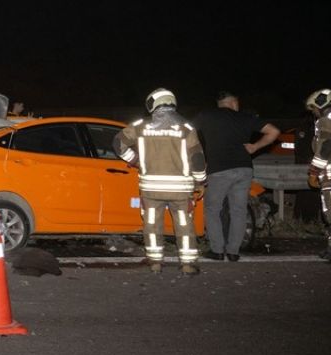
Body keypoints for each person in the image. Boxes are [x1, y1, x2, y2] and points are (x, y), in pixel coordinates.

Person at [114, 88, 208, 275]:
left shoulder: (140, 126)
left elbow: (118, 144)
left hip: (151, 188)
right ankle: (188, 264)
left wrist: (136, 161)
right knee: (183, 223)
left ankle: (155, 262)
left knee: (151, 222)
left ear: (153, 103)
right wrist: (200, 182)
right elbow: (197, 158)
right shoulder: (186, 129)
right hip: (180, 189)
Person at [192, 91, 280, 261]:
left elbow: (187, 130)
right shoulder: (246, 117)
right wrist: (255, 147)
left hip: (219, 169)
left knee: (213, 209)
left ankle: (217, 250)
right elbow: (274, 132)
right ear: (233, 102)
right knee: (238, 210)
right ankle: (233, 252)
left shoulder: (207, 116)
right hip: (244, 169)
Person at [306, 89, 331, 261]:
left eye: (313, 109)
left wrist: (314, 172)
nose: (313, 112)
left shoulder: (325, 121)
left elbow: (325, 148)